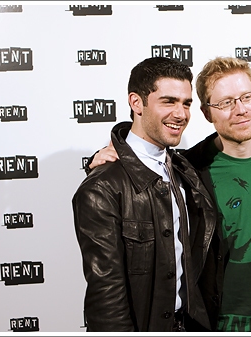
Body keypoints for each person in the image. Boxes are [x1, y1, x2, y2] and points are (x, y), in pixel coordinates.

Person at [87, 57, 251, 332]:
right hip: (210, 324)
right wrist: (110, 157)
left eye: (247, 97)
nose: (240, 109)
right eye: (225, 103)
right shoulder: (190, 169)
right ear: (208, 113)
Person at [72, 56, 216, 332]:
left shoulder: (184, 168)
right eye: (168, 101)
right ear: (136, 102)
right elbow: (106, 295)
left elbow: (224, 144)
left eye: (186, 103)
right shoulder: (101, 187)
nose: (181, 114)